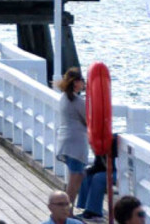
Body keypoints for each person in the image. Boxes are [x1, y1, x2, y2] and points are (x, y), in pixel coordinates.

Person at [56, 67, 88, 206]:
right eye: (82, 80)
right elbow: (88, 120)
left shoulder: (64, 98)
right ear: (75, 82)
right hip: (76, 143)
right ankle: (67, 210)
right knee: (75, 177)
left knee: (76, 175)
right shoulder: (77, 100)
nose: (83, 83)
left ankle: (68, 208)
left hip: (66, 141)